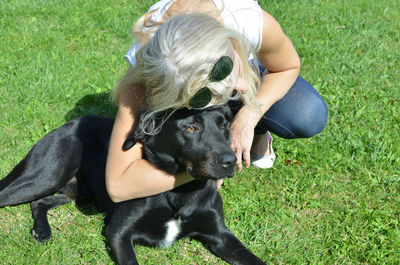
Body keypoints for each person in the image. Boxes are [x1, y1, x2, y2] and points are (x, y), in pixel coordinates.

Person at [105, 0, 328, 202]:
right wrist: (202, 167)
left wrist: (251, 114)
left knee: (307, 113)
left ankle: (259, 131)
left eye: (232, 73)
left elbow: (287, 66)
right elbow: (118, 185)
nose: (242, 87)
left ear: (231, 43)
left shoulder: (244, 17)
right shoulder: (148, 69)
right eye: (212, 94)